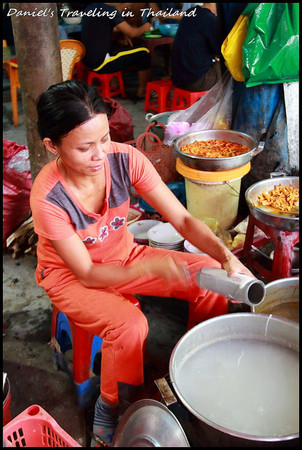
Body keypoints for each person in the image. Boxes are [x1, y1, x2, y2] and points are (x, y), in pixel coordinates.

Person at [30, 80, 254, 446]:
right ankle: (113, 407)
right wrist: (147, 269)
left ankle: (196, 369)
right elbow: (86, 271)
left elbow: (181, 220)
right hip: (70, 277)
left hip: (124, 255)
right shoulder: (49, 196)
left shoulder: (126, 158)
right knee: (130, 326)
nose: (100, 154)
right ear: (52, 146)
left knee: (209, 278)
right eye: (85, 148)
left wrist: (226, 257)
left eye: (104, 138)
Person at [81, 3, 151, 99]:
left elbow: (106, 28)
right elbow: (133, 33)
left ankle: (115, 83)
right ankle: (142, 91)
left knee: (120, 46)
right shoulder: (111, 10)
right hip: (103, 63)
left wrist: (122, 34)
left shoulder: (90, 7)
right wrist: (144, 28)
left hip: (88, 62)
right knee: (144, 52)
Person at [171, 3, 221, 91]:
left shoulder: (191, 12)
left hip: (177, 78)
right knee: (231, 70)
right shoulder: (209, 19)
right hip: (195, 81)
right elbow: (222, 50)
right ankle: (230, 104)